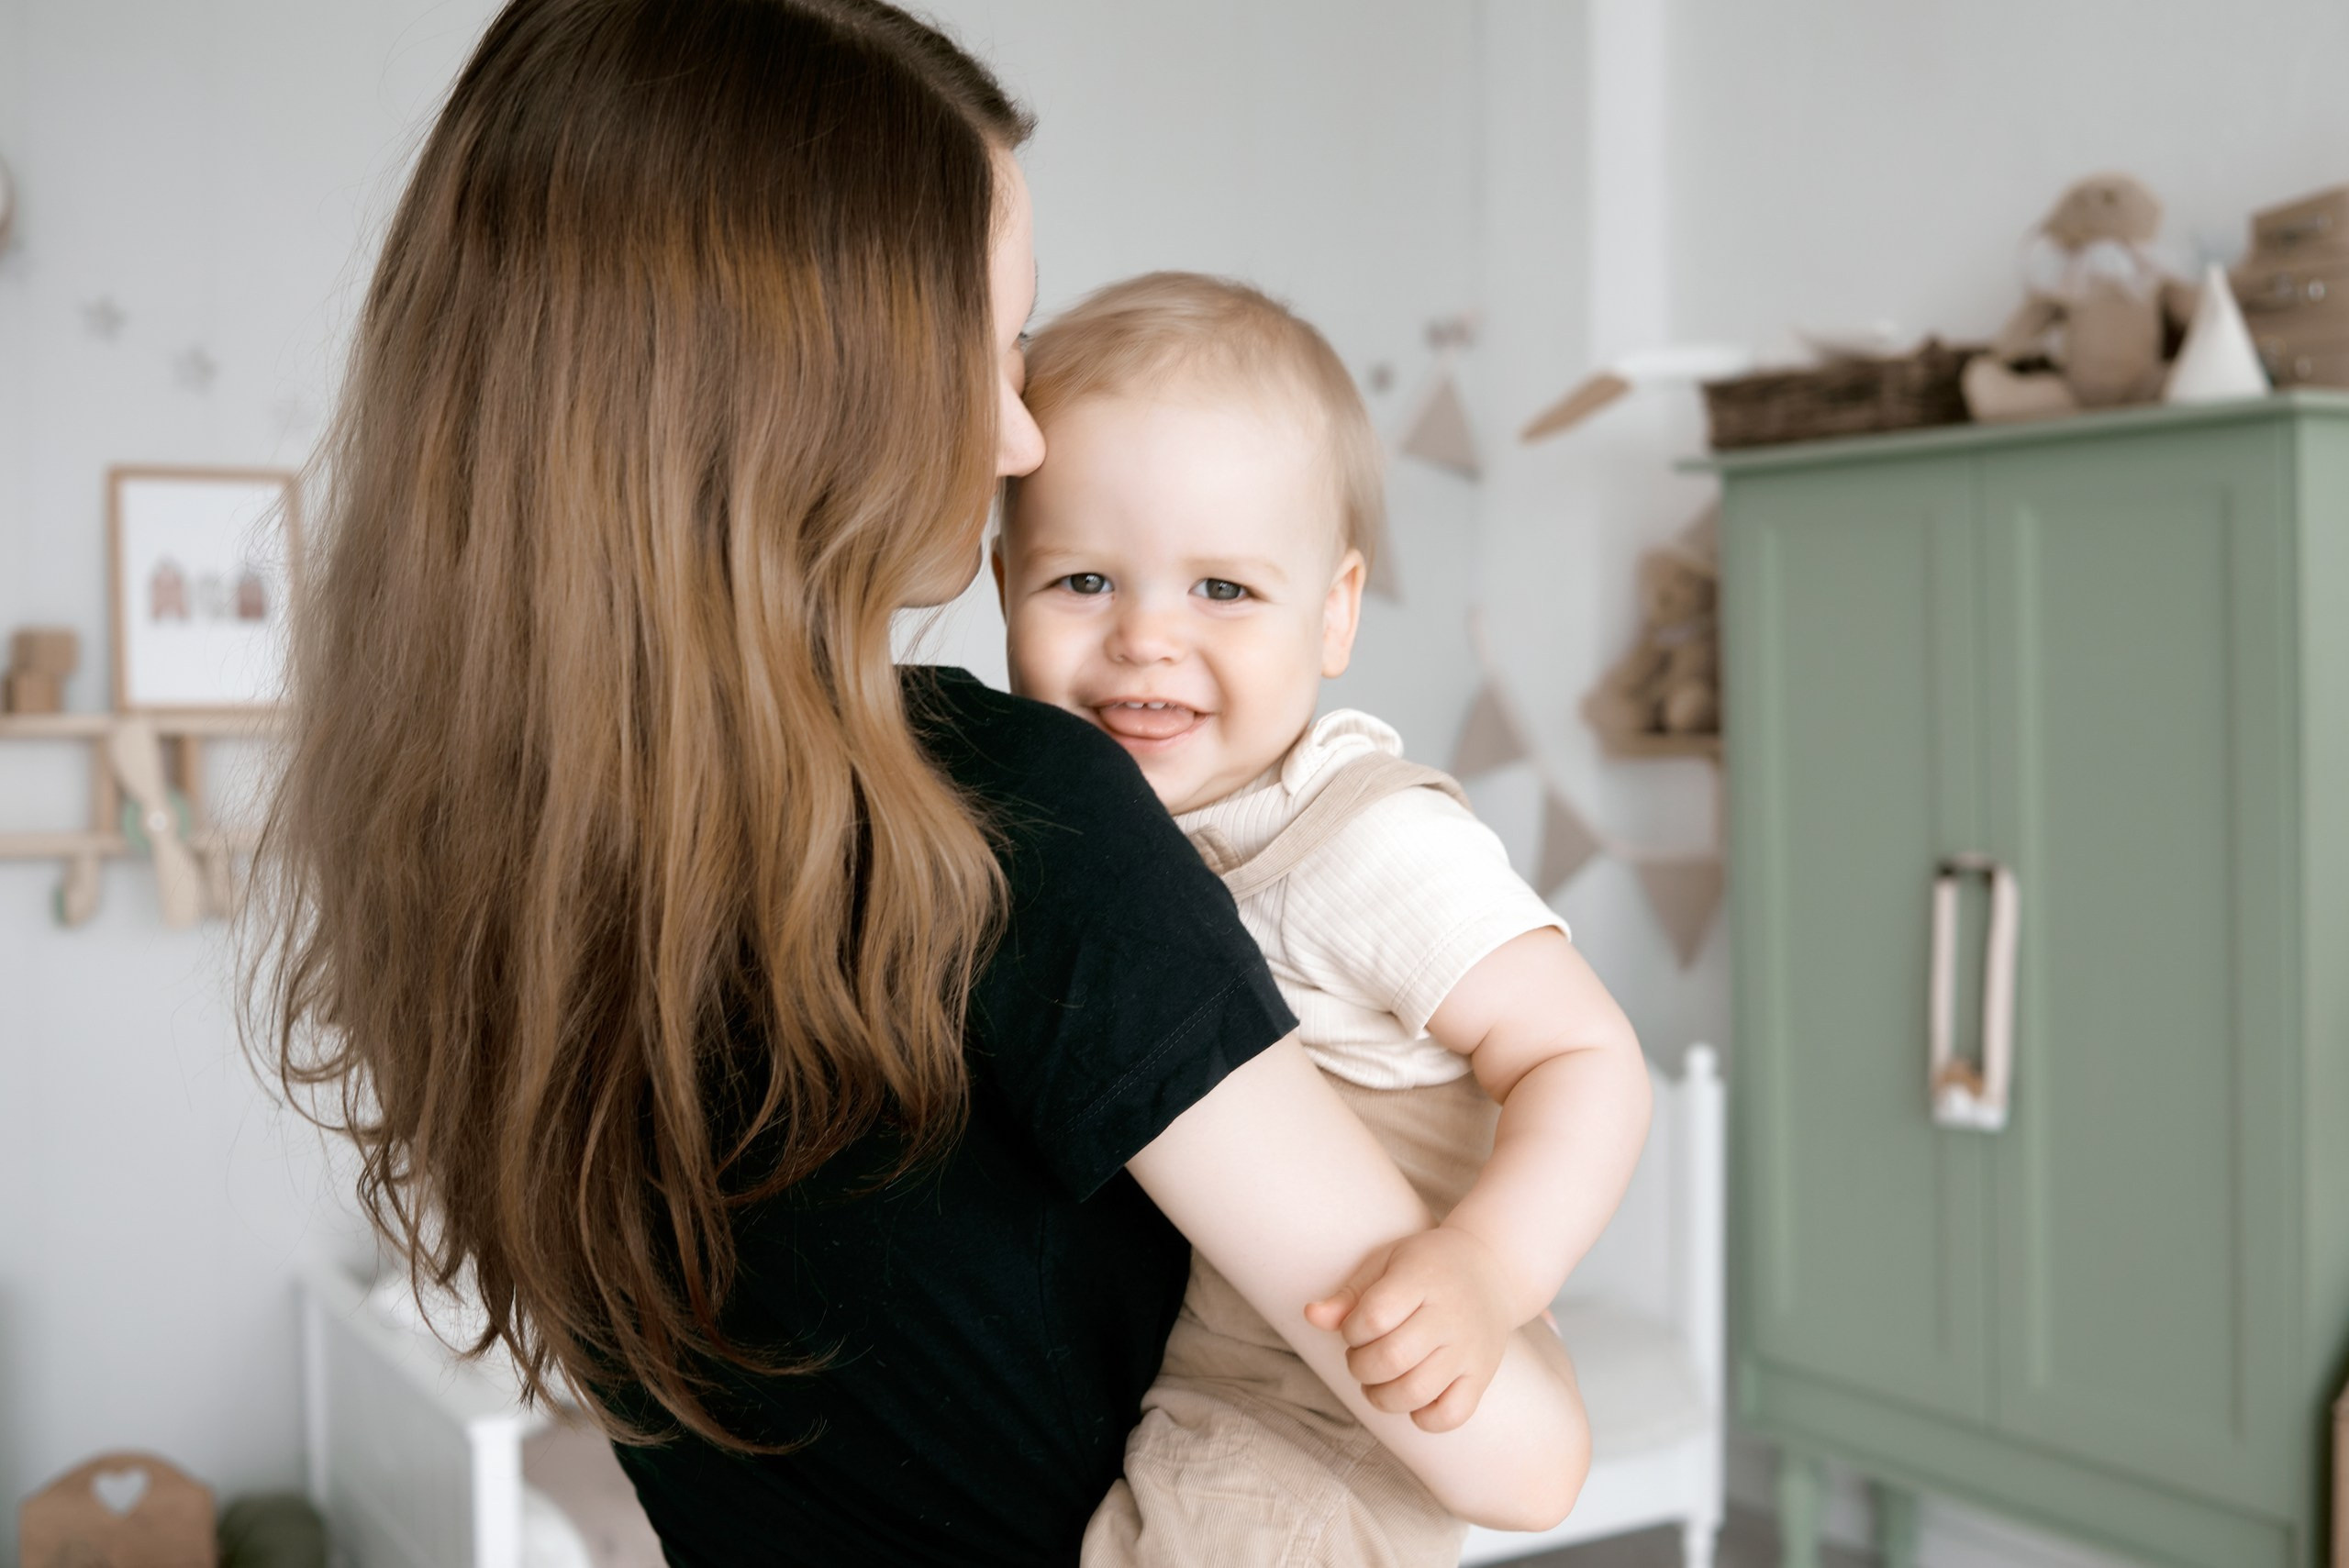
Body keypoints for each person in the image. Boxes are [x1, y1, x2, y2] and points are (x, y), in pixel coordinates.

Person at [250, 3, 1588, 1564]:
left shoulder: (468, 858)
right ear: (810, 388)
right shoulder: (1006, 817)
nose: (1023, 438)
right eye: (996, 347)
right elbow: (1518, 1457)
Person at [992, 272, 1653, 1567]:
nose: (1146, 641)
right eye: (1082, 579)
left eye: (1222, 591)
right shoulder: (1090, 837)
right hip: (1205, 1385)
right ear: (1000, 581)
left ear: (1337, 609)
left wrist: (1484, 1271)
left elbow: (1586, 1058)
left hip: (1325, 1422)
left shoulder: (1364, 842)